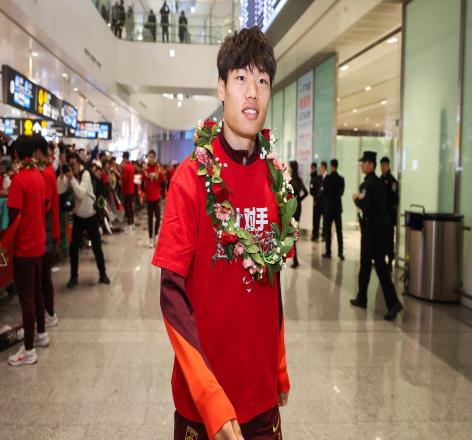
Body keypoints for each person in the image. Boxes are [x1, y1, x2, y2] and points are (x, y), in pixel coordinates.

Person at [152, 27, 291, 440]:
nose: (252, 92)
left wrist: (279, 368)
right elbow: (171, 295)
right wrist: (209, 397)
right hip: (202, 400)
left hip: (261, 396)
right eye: (241, 78)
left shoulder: (274, 179)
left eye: (262, 81)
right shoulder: (190, 178)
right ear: (221, 88)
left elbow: (271, 282)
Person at [7, 136, 48, 366]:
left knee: (26, 298)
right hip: (38, 243)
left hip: (24, 246)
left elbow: (14, 217)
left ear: (16, 154)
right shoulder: (39, 176)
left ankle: (29, 350)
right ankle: (41, 333)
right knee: (37, 291)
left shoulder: (19, 180)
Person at [351, 151, 403, 321]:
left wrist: (356, 199)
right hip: (379, 229)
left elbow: (365, 205)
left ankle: (393, 303)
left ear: (371, 165)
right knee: (368, 265)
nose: (362, 165)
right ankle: (362, 297)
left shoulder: (369, 184)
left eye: (364, 163)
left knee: (378, 266)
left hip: (372, 231)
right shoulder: (378, 182)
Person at [59, 154, 110, 289]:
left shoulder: (85, 174)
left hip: (90, 215)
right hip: (78, 216)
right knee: (73, 248)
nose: (72, 167)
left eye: (73, 164)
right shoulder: (71, 175)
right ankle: (73, 277)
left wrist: (71, 178)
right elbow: (59, 189)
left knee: (96, 246)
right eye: (70, 165)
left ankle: (103, 273)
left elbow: (80, 193)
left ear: (79, 163)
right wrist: (62, 176)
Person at [33, 135, 60, 328]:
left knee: (43, 277)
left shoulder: (47, 174)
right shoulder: (48, 171)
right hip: (48, 231)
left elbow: (45, 205)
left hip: (46, 232)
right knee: (44, 277)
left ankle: (49, 314)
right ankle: (48, 313)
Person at [322, 159, 345, 260]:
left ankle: (328, 252)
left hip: (328, 208)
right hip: (337, 208)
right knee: (339, 231)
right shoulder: (341, 179)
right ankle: (340, 253)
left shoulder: (327, 178)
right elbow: (341, 193)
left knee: (328, 231)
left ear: (331, 166)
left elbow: (324, 192)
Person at [142, 150, 164, 248]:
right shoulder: (145, 169)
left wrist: (163, 193)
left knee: (158, 217)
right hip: (149, 198)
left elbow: (162, 181)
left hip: (157, 197)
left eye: (152, 157)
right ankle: (150, 238)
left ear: (155, 158)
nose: (150, 158)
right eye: (149, 156)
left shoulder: (158, 168)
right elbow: (142, 181)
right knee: (150, 219)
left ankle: (156, 235)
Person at [380, 156, 398, 271]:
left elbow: (395, 199)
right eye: (381, 165)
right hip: (380, 215)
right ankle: (381, 260)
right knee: (381, 239)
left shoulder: (392, 181)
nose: (382, 167)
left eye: (384, 165)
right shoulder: (379, 179)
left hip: (389, 216)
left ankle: (390, 261)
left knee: (389, 239)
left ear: (388, 166)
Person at [289, 160, 308, 268]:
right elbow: (306, 192)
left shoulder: (290, 180)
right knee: (294, 232)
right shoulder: (299, 180)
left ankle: (295, 259)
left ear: (292, 168)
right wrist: (299, 199)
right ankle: (294, 258)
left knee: (292, 233)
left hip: (292, 207)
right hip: (298, 207)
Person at [121, 151, 136, 230]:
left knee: (128, 208)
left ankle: (129, 223)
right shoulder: (132, 166)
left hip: (127, 190)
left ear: (124, 158)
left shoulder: (126, 167)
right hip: (131, 189)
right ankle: (132, 223)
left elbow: (124, 179)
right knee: (131, 207)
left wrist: (120, 177)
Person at [309, 162, 321, 241]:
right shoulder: (312, 177)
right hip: (313, 201)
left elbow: (317, 191)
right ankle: (314, 234)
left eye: (313, 168)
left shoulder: (317, 177)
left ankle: (316, 235)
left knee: (316, 219)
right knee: (314, 219)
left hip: (316, 202)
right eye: (311, 168)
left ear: (315, 168)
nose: (312, 169)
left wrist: (315, 200)